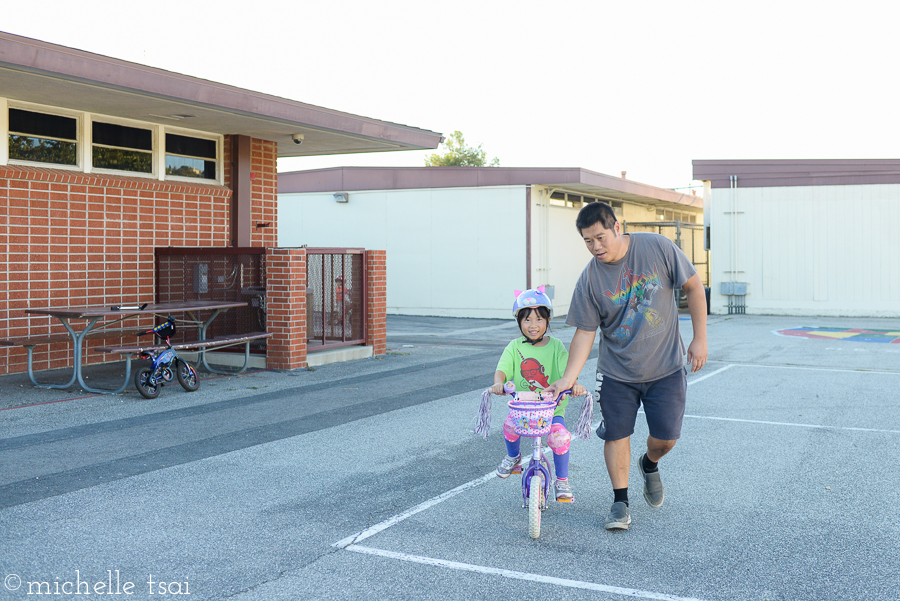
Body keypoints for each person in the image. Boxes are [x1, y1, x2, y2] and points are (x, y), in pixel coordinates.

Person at [545, 202, 708, 530]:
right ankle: (620, 502)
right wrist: (568, 377)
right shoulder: (590, 279)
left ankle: (649, 464)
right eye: (588, 241)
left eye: (600, 237)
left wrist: (699, 338)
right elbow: (585, 332)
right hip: (617, 372)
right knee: (617, 434)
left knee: (666, 439)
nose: (596, 247)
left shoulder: (657, 247)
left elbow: (692, 286)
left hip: (666, 366)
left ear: (617, 227)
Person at [491, 287, 586, 502]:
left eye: (539, 319)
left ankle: (561, 481)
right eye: (527, 320)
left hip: (552, 410)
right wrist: (499, 383)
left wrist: (575, 385)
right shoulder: (514, 347)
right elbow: (502, 370)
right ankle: (514, 457)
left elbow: (567, 371)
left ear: (548, 320)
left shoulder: (556, 347)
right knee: (509, 425)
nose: (533, 325)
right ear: (519, 322)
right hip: (523, 410)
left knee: (559, 437)